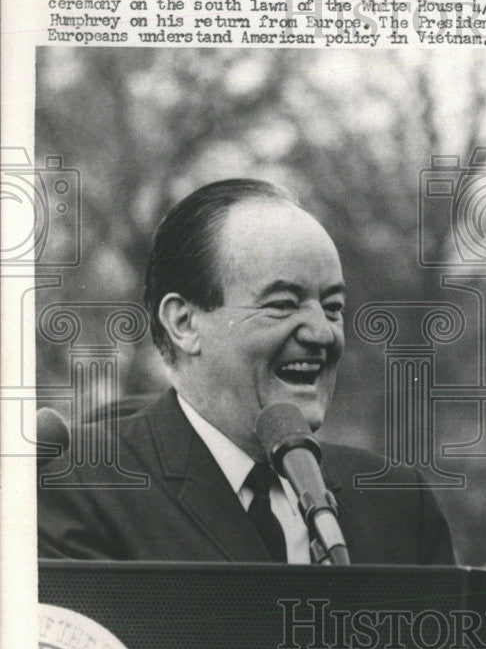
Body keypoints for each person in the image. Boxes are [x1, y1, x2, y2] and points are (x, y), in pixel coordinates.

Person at [38, 179, 454, 566]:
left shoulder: (398, 503)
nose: (322, 332)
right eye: (283, 304)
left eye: (333, 308)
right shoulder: (86, 488)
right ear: (184, 323)